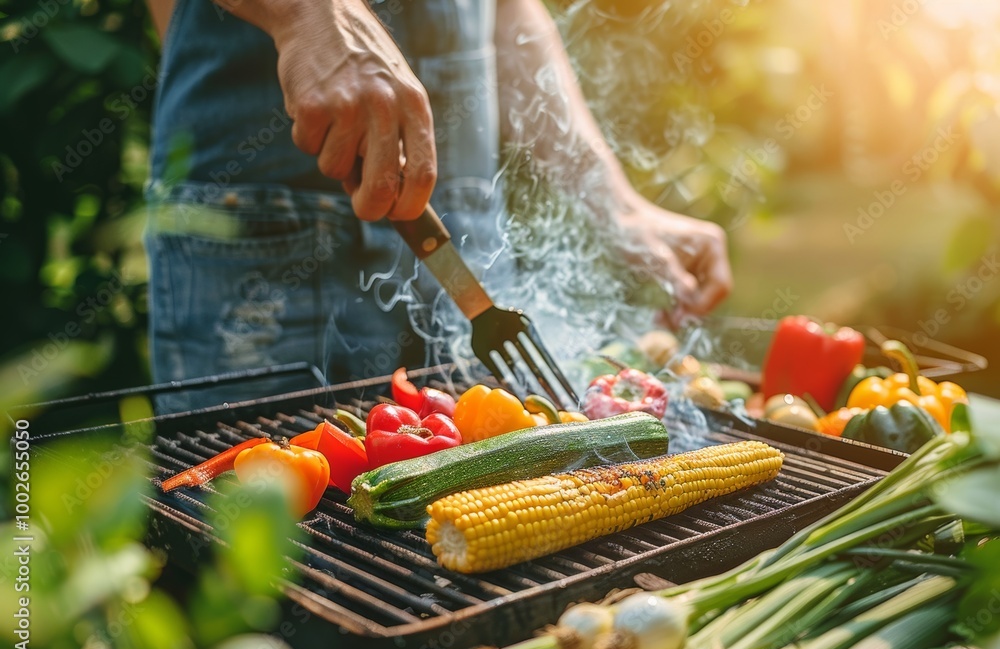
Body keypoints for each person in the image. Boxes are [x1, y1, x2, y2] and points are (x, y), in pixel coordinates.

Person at [143, 0, 732, 413]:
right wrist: (308, 10)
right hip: (267, 231)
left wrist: (616, 203)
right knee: (256, 561)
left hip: (468, 233)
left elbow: (501, 9)